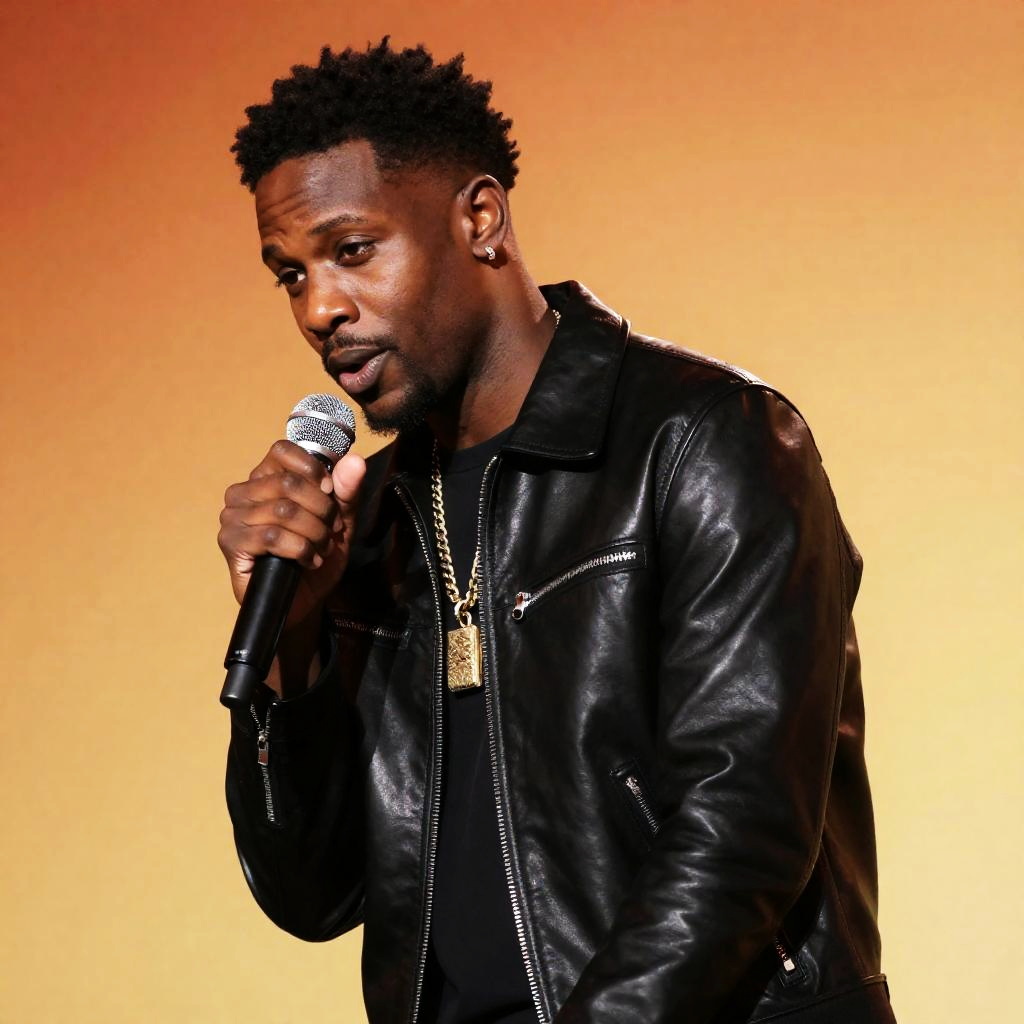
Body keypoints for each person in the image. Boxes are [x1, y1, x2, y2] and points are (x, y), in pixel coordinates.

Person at [218, 39, 896, 1024]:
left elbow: (741, 832)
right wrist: (292, 640)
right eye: (290, 274)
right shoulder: (370, 523)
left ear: (479, 218)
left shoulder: (705, 439)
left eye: (352, 249)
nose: (319, 308)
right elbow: (312, 895)